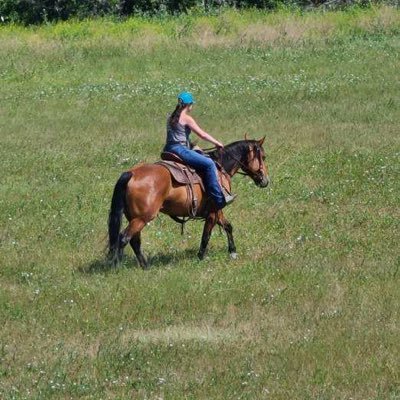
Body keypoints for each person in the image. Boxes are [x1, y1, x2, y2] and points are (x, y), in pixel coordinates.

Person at [163, 91, 235, 210]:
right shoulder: (186, 118)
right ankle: (218, 199)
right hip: (180, 150)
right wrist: (217, 143)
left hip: (168, 149)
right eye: (192, 104)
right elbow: (202, 135)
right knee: (209, 164)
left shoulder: (170, 116)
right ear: (189, 105)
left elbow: (178, 135)